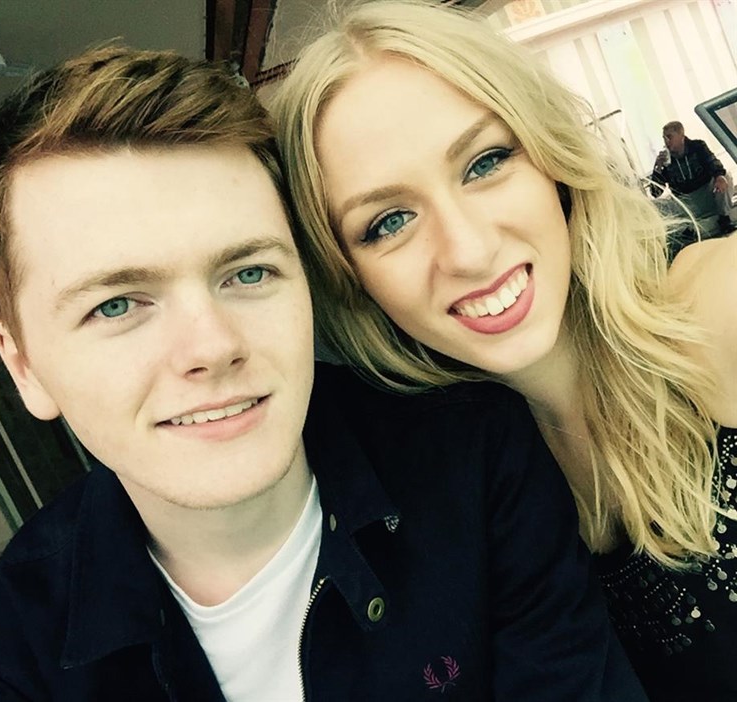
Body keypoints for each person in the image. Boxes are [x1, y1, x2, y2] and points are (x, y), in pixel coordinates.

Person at [0, 46, 646, 701]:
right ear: (24, 366)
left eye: (248, 273)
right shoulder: (23, 622)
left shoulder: (473, 457)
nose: (213, 347)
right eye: (115, 305)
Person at [271, 2, 737, 700]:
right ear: (347, 277)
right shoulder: (440, 489)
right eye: (389, 221)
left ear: (552, 157)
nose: (468, 249)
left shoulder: (719, 306)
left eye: (485, 163)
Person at [651, 120, 735, 237]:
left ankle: (723, 218)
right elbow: (655, 193)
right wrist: (657, 169)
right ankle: (691, 229)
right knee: (655, 206)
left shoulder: (697, 147)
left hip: (707, 192)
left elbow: (712, 163)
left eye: (669, 137)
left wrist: (719, 176)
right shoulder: (666, 159)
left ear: (681, 136)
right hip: (686, 202)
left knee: (725, 177)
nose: (666, 141)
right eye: (664, 138)